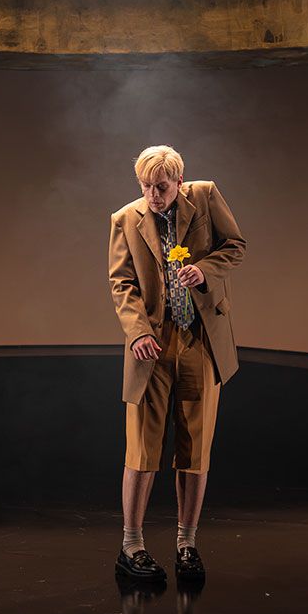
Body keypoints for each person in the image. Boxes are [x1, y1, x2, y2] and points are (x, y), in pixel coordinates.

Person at [107, 145, 247, 584]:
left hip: (200, 340)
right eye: (146, 186)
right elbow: (122, 283)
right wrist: (138, 332)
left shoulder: (205, 197)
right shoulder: (125, 219)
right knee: (141, 448)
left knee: (195, 448)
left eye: (162, 187)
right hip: (152, 344)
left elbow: (235, 246)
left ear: (179, 182)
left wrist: (205, 270)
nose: (153, 195)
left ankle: (187, 543)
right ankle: (132, 545)